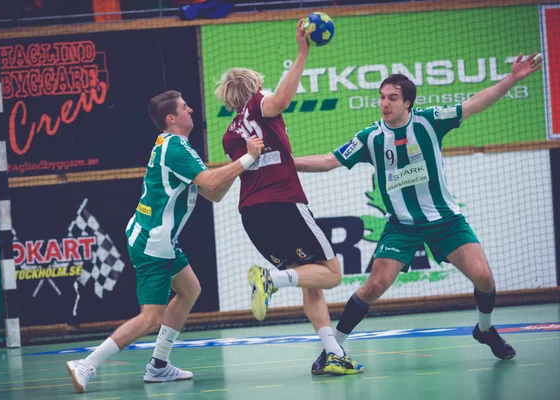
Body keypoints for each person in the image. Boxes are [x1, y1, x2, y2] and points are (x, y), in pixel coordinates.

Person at [294, 53, 543, 370]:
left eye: (393, 98)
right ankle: (334, 349)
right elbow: (329, 161)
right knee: (373, 287)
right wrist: (287, 163)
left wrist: (512, 78)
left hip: (446, 221)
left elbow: (475, 104)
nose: (385, 104)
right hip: (402, 227)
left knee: (484, 277)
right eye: (382, 97)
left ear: (408, 103)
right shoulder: (370, 137)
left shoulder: (429, 121)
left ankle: (485, 330)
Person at [66, 90, 264, 393]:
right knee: (151, 317)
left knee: (190, 290)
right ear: (171, 118)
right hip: (153, 242)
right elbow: (211, 182)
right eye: (185, 108)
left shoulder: (177, 146)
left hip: (156, 237)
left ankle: (159, 366)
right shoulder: (175, 149)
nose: (191, 111)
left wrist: (237, 167)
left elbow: (213, 192)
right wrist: (247, 158)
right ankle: (86, 364)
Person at [214, 20, 362, 376]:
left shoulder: (229, 136)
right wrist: (301, 53)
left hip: (252, 213)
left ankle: (332, 354)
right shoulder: (259, 103)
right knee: (331, 274)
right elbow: (279, 100)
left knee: (307, 279)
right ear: (254, 87)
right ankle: (271, 281)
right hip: (283, 203)